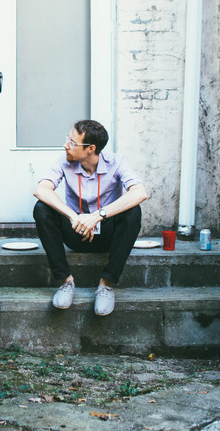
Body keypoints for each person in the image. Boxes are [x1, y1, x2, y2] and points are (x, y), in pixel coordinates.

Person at [33, 119, 147, 316]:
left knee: (133, 211)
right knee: (42, 208)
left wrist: (97, 216)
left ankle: (106, 284)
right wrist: (73, 217)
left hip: (107, 236)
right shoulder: (64, 160)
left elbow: (140, 193)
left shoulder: (116, 162)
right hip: (75, 232)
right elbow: (41, 189)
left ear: (90, 149)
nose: (65, 145)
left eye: (72, 142)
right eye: (67, 139)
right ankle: (66, 282)